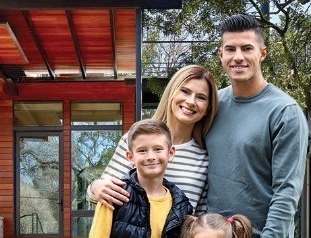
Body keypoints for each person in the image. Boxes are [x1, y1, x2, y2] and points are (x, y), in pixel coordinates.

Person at [205, 14, 309, 238]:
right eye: (230, 49)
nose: (238, 57)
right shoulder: (212, 105)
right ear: (221, 55)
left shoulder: (285, 112)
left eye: (247, 48)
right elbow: (164, 142)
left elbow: (287, 193)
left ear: (262, 53)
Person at [86, 65, 218, 214]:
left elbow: (199, 220)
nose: (191, 101)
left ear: (207, 108)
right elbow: (98, 195)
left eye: (201, 97)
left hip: (179, 237)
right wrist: (95, 187)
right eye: (185, 91)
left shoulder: (204, 158)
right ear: (171, 94)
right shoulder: (136, 139)